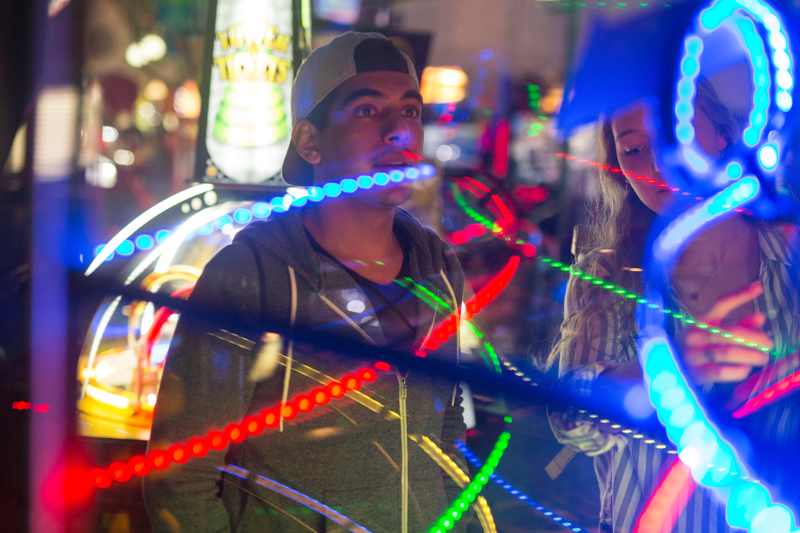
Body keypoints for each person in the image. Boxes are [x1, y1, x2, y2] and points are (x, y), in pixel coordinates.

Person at [144, 32, 468, 533]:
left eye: (409, 112)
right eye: (366, 111)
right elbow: (179, 477)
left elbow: (443, 431)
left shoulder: (439, 269)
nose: (399, 134)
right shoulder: (252, 277)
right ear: (310, 142)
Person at [546, 79, 800, 532]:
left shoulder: (791, 256)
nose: (656, 162)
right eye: (634, 151)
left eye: (673, 131)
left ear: (723, 135)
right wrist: (669, 369)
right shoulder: (603, 275)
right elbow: (570, 420)